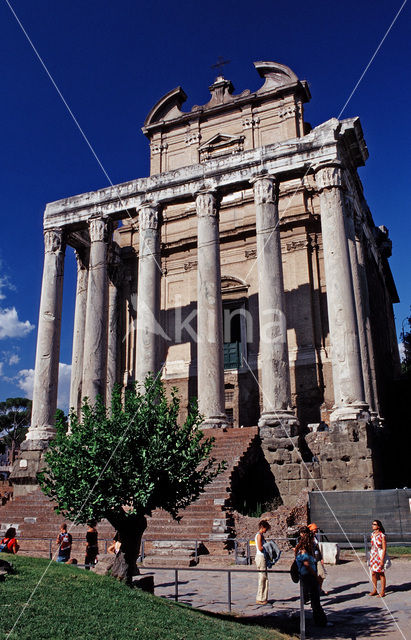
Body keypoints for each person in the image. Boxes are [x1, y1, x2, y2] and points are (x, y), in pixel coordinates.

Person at [295, 532, 330, 627]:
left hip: (307, 576)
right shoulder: (304, 551)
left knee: (315, 600)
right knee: (315, 600)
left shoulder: (302, 549)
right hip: (308, 576)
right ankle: (321, 621)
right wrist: (316, 576)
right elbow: (307, 565)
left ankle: (318, 619)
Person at [368, 519, 387, 597]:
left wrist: (382, 560)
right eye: (372, 524)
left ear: (378, 526)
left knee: (381, 573)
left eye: (374, 524)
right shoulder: (372, 534)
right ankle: (375, 589)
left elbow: (384, 548)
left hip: (379, 555)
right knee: (373, 573)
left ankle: (382, 591)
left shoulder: (382, 535)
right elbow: (372, 545)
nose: (373, 525)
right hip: (373, 555)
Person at [308, 523, 327, 594]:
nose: (315, 532)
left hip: (317, 558)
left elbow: (317, 548)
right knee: (312, 576)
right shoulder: (308, 538)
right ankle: (312, 591)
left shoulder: (315, 537)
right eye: (314, 531)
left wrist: (321, 558)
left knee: (322, 574)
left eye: (316, 531)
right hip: (311, 559)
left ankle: (319, 589)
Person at [255, 519, 270, 605]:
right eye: (265, 528)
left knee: (264, 578)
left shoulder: (261, 535)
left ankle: (263, 597)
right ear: (262, 527)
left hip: (262, 557)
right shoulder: (259, 536)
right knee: (262, 578)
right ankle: (260, 598)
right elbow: (260, 547)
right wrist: (268, 547)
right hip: (260, 557)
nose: (266, 530)